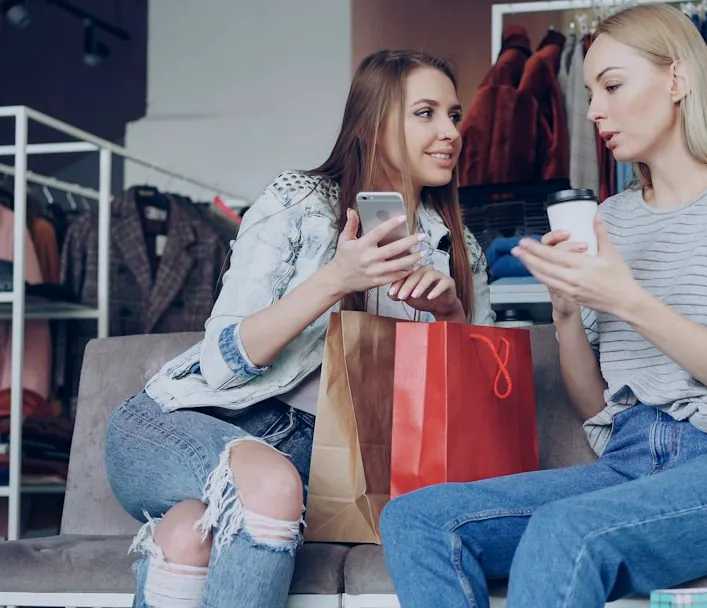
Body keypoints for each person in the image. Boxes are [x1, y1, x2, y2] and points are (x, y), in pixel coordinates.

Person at [379, 5, 707, 606]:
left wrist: (627, 299)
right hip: (633, 455)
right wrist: (567, 311)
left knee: (566, 532)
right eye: (590, 92)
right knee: (416, 519)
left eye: (612, 86)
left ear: (678, 79)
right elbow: (598, 408)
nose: (593, 111)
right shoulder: (610, 219)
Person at [103, 50, 494, 608]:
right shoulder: (300, 202)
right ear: (375, 123)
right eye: (425, 113)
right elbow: (221, 359)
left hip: (316, 461)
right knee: (267, 486)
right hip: (178, 424)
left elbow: (478, 410)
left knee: (190, 535)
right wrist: (338, 279)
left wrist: (451, 316)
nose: (449, 132)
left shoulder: (461, 251)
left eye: (454, 116)